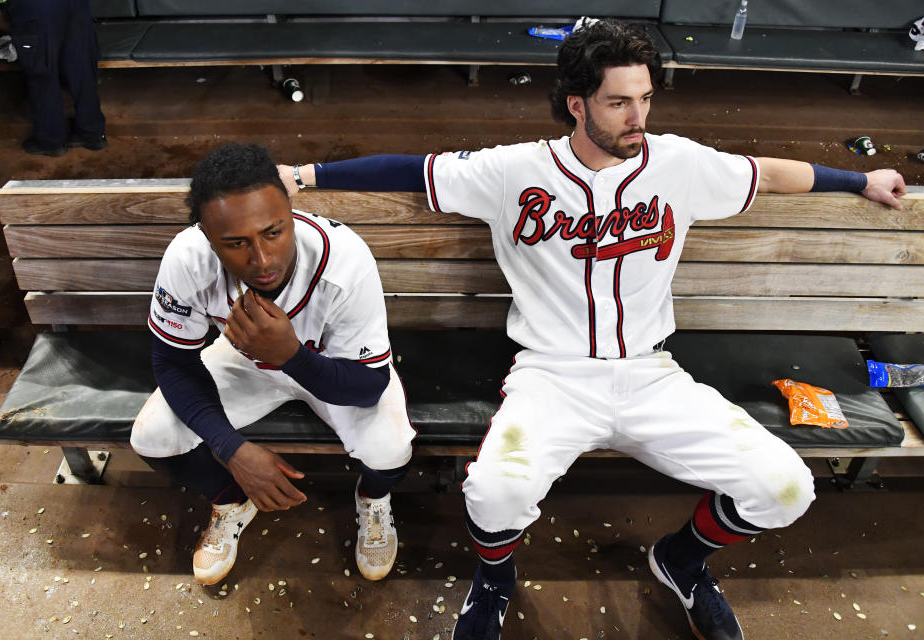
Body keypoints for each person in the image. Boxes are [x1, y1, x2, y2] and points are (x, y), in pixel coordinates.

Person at [277, 19, 907, 640]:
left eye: (645, 99)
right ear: (576, 104)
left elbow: (768, 173)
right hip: (552, 375)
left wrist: (862, 179)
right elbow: (413, 171)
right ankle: (495, 580)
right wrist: (304, 177)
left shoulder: (679, 163)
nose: (638, 116)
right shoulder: (514, 170)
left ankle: (680, 562)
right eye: (619, 102)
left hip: (651, 374)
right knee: (493, 494)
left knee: (788, 488)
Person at [130, 143, 415, 586]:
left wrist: (291, 357)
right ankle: (230, 501)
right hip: (246, 360)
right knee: (151, 436)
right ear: (207, 238)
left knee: (390, 448)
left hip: (331, 364)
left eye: (273, 232)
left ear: (290, 212)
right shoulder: (188, 257)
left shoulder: (344, 258)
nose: (261, 259)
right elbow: (172, 362)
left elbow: (368, 387)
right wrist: (232, 449)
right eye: (236, 243)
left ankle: (373, 498)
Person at [0, 0, 107, 156]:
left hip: (35, 9)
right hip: (75, 5)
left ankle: (51, 142)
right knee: (82, 68)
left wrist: (17, 30)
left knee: (43, 75)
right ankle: (93, 134)